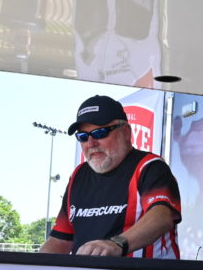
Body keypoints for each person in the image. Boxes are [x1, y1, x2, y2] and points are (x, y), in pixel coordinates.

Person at [39, 95, 182, 258]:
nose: (91, 143)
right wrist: (32, 266)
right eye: (83, 137)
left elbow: (162, 216)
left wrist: (117, 244)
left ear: (126, 132)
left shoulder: (149, 166)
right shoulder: (78, 175)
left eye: (100, 133)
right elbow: (60, 239)